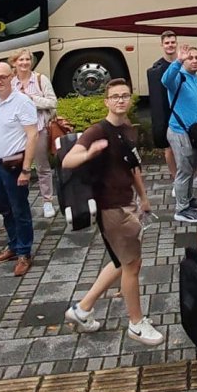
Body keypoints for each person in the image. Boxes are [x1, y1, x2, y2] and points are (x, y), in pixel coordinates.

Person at [62, 78, 163, 345]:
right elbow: (68, 159)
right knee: (132, 264)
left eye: (125, 96)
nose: (120, 100)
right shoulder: (97, 131)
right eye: (115, 96)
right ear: (106, 101)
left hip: (127, 202)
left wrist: (143, 198)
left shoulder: (129, 129)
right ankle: (136, 324)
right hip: (111, 207)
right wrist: (88, 153)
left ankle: (82, 309)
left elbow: (133, 167)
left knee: (121, 261)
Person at [0, 60, 39, 276]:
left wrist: (26, 169)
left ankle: (24, 252)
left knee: (19, 209)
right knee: (4, 208)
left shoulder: (22, 102)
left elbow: (32, 135)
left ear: (11, 77)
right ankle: (13, 246)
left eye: (2, 77)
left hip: (13, 165)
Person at [162, 44, 197, 224]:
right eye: (191, 58)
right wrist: (178, 61)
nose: (194, 61)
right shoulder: (178, 78)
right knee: (184, 170)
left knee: (191, 168)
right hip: (180, 131)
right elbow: (165, 80)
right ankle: (181, 209)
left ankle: (188, 200)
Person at [10, 48, 60, 218]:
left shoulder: (40, 79)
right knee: (16, 166)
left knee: (42, 166)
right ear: (14, 63)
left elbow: (53, 103)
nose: (24, 63)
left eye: (27, 59)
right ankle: (20, 204)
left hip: (38, 129)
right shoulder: (11, 83)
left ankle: (47, 201)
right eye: (21, 60)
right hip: (17, 132)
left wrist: (32, 100)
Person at [147, 30, 180, 181]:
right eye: (167, 43)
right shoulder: (157, 69)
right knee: (170, 149)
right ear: (162, 45)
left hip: (182, 111)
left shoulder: (183, 63)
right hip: (167, 113)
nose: (170, 45)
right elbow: (156, 100)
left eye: (173, 42)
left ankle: (191, 177)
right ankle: (175, 180)